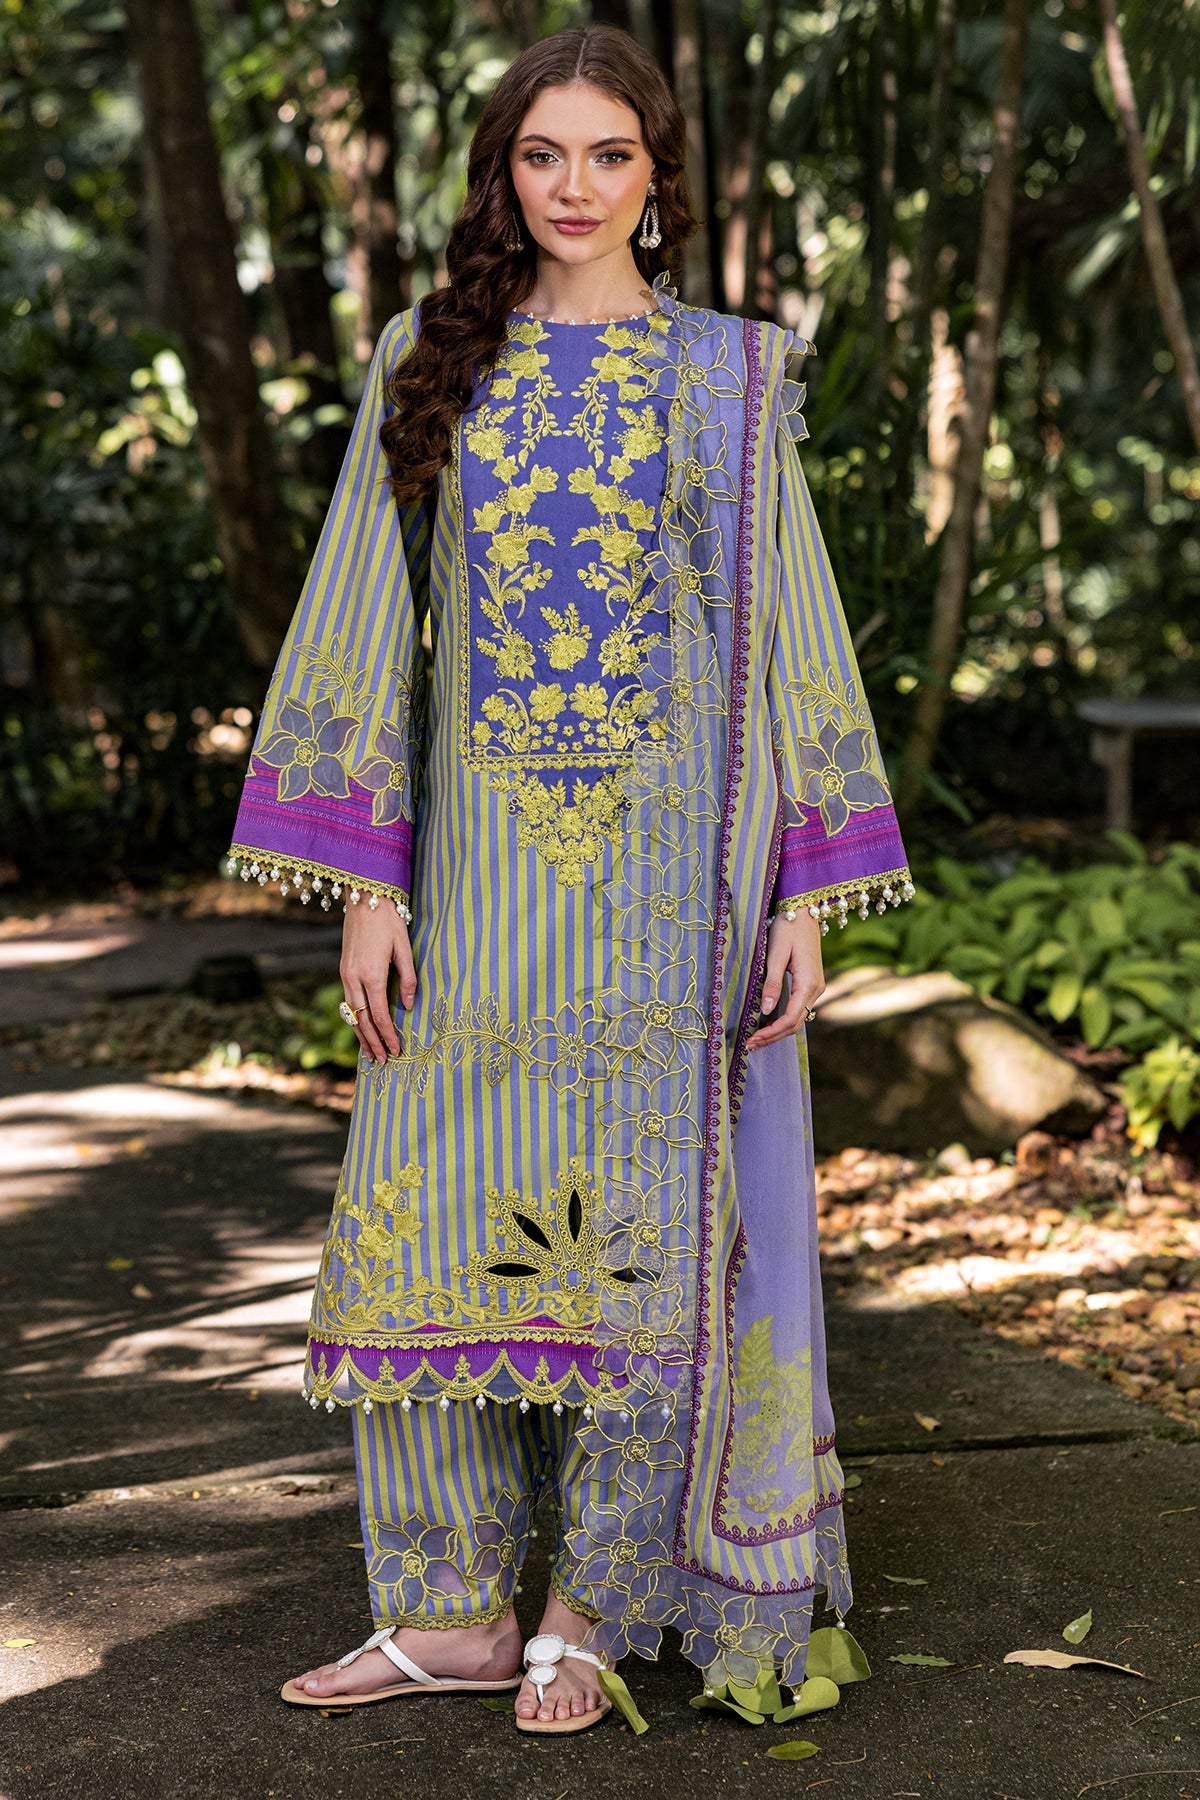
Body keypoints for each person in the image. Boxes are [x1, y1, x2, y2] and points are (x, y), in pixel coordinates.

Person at [225, 22, 913, 1736]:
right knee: (424, 1214)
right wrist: (368, 884)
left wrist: (801, 894)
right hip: (473, 879)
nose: (576, 187)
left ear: (658, 177)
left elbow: (789, 625)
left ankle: (587, 1608)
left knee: (632, 1243)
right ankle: (446, 1608)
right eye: (545, 155)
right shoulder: (428, 355)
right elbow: (365, 607)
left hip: (670, 887)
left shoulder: (727, 375)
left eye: (611, 155)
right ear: (504, 172)